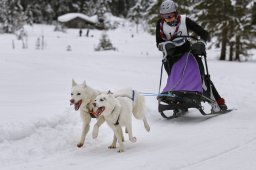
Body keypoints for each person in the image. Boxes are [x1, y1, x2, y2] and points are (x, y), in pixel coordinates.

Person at [156, 0, 227, 110]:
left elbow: (204, 34)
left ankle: (217, 101)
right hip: (171, 58)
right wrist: (165, 46)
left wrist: (201, 43)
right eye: (165, 16)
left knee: (201, 78)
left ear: (175, 13)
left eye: (170, 15)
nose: (168, 18)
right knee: (175, 81)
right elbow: (158, 43)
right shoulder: (160, 25)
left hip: (188, 55)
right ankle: (179, 104)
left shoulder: (184, 20)